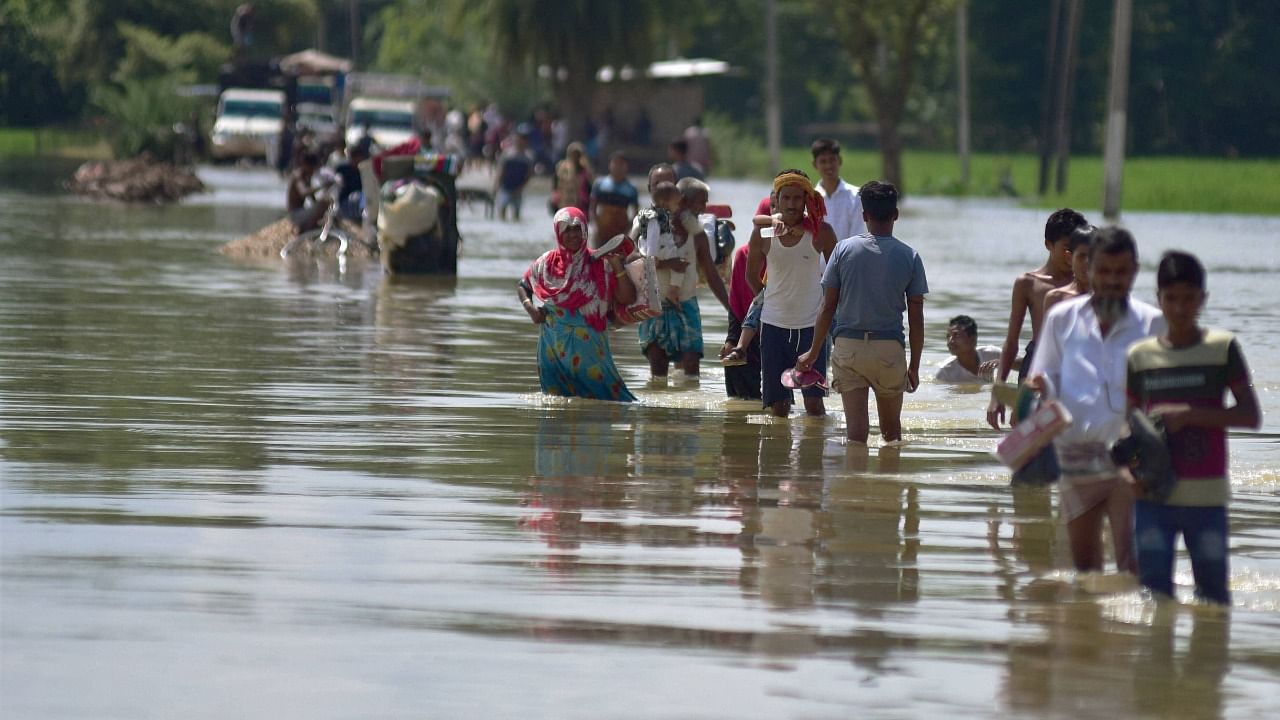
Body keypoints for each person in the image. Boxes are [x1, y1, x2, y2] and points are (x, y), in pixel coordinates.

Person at [1125, 251, 1260, 605]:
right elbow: (1128, 425)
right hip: (1153, 497)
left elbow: (1250, 415)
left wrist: (1190, 414)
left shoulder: (1222, 349)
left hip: (1207, 496)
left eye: (1189, 298)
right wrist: (1129, 472)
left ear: (1203, 299)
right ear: (1159, 300)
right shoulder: (1140, 356)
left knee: (1214, 600)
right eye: (1171, 299)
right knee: (1154, 599)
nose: (1180, 308)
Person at [1027, 227, 1165, 574]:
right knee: (1085, 569)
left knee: (1130, 564)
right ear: (1089, 270)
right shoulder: (1063, 319)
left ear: (1134, 270)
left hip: (1131, 460)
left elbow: (1163, 397)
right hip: (1076, 456)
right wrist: (1037, 391)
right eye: (1104, 271)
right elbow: (1045, 380)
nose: (1112, 281)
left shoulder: (1152, 324)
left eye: (1121, 272)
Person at [796, 180, 927, 443]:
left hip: (849, 347)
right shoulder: (910, 256)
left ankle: (855, 481)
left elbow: (827, 306)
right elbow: (916, 317)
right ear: (896, 215)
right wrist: (914, 366)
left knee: (856, 434)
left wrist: (812, 351)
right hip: (888, 349)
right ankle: (887, 481)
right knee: (891, 434)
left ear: (863, 215)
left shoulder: (843, 249)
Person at [517, 207, 637, 402]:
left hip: (590, 352)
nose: (572, 235)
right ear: (558, 232)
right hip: (553, 349)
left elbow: (627, 298)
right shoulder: (546, 263)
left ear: (585, 230)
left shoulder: (601, 263)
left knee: (606, 403)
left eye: (577, 229)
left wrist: (617, 267)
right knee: (556, 408)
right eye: (567, 230)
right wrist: (530, 309)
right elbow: (524, 285)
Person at [987, 208, 1090, 428]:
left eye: (1076, 250)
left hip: (1076, 364)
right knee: (1024, 429)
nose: (1070, 256)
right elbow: (1011, 341)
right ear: (1048, 245)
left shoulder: (1088, 285)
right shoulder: (1029, 283)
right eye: (1065, 248)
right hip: (1037, 361)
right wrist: (998, 393)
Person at [748, 170, 837, 417]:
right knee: (779, 407)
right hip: (773, 325)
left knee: (814, 406)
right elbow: (750, 275)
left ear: (807, 200)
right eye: (786, 198)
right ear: (776, 199)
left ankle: (814, 452)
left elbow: (838, 278)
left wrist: (828, 310)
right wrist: (768, 301)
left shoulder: (821, 233)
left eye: (797, 199)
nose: (791, 204)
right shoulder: (764, 232)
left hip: (811, 327)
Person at [633, 175, 732, 379]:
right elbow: (635, 255)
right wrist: (667, 263)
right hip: (655, 305)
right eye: (700, 202)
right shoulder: (649, 223)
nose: (704, 209)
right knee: (658, 371)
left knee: (691, 366)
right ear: (682, 200)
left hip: (686, 304)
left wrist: (732, 310)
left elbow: (712, 274)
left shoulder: (697, 233)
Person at [629, 181, 685, 304]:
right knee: (680, 265)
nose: (678, 206)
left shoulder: (645, 213)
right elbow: (653, 236)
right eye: (676, 203)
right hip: (658, 250)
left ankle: (646, 293)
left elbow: (634, 231)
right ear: (665, 203)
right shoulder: (657, 217)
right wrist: (652, 256)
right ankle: (673, 291)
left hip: (646, 249)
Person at [810, 138, 865, 241]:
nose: (828, 166)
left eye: (832, 160)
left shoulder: (856, 196)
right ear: (814, 164)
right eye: (823, 161)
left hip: (848, 256)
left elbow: (857, 236)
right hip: (819, 257)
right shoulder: (810, 199)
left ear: (839, 160)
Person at [589, 151, 639, 247]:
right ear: (610, 165)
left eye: (621, 164)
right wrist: (594, 225)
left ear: (626, 167)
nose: (618, 167)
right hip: (601, 230)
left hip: (620, 231)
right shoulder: (599, 184)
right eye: (615, 163)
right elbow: (592, 207)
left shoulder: (631, 189)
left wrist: (628, 231)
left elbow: (635, 213)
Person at [1044, 224, 1096, 313]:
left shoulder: (1109, 300)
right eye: (1081, 256)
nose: (1087, 262)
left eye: (1092, 256)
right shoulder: (1056, 298)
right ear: (1069, 258)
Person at [936, 315, 1002, 383]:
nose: (950, 341)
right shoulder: (946, 373)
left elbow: (1013, 363)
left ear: (973, 339)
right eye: (948, 336)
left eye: (956, 335)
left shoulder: (992, 354)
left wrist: (1003, 363)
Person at [493, 126, 535, 221]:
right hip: (505, 187)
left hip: (518, 189)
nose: (522, 141)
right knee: (502, 212)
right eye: (521, 138)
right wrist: (496, 186)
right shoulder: (508, 154)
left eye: (525, 139)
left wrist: (521, 188)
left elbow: (529, 175)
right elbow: (501, 171)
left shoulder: (528, 157)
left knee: (516, 215)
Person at [286, 151, 332, 233]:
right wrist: (322, 186)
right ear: (305, 165)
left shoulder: (307, 176)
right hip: (295, 214)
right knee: (323, 203)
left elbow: (312, 197)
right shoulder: (298, 176)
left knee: (325, 202)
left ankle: (312, 226)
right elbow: (304, 193)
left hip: (301, 211)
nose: (313, 171)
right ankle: (306, 230)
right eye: (311, 167)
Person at [553, 141, 592, 213]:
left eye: (577, 154)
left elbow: (589, 189)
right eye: (573, 154)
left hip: (581, 204)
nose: (575, 157)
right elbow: (556, 186)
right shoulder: (562, 169)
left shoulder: (585, 170)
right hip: (563, 202)